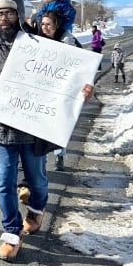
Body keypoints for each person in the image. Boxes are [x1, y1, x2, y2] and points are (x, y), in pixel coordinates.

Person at [0, 2, 93, 261]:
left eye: (8, 12)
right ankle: (11, 231)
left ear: (19, 15)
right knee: (4, 182)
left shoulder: (38, 44)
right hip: (1, 126)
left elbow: (67, 73)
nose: (3, 17)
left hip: (33, 125)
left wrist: (82, 90)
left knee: (37, 179)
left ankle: (37, 209)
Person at [38, 10, 96, 171]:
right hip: (41, 92)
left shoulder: (68, 41)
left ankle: (59, 156)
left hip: (62, 92)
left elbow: (84, 66)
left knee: (58, 126)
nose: (45, 27)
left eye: (49, 24)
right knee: (40, 128)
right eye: (43, 24)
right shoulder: (37, 42)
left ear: (56, 25)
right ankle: (40, 161)